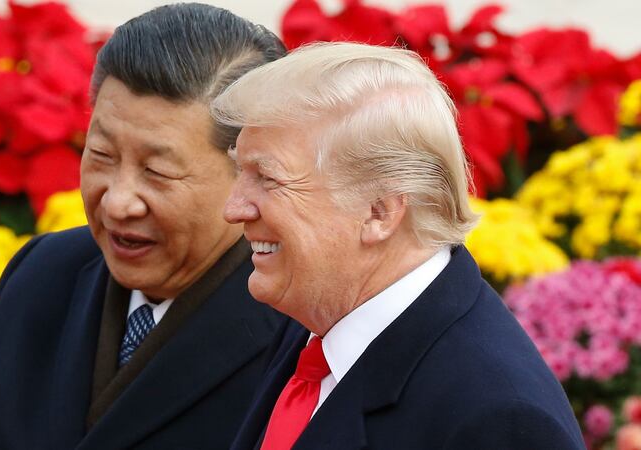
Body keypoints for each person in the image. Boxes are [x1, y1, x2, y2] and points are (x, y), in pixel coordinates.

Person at [0, 4, 287, 449]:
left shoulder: (294, 326)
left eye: (157, 172)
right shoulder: (49, 270)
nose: (117, 202)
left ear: (249, 173)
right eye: (101, 156)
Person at [212, 42, 586, 450]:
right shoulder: (317, 314)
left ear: (379, 212)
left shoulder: (496, 418)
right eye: (240, 170)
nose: (234, 209)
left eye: (268, 178)